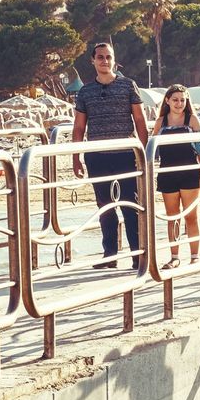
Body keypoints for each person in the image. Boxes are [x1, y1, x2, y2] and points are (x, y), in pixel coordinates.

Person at [72, 42, 148, 269]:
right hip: (97, 157)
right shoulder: (85, 91)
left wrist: (141, 152)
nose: (104, 61)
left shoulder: (128, 86)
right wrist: (76, 157)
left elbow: (141, 121)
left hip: (126, 155)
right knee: (104, 206)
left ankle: (138, 254)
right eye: (100, 57)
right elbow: (78, 128)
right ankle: (110, 255)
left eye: (108, 57)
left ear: (114, 60)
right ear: (93, 61)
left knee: (130, 205)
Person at [151, 84, 200, 269]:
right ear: (167, 100)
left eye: (182, 100)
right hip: (167, 173)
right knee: (172, 217)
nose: (179, 103)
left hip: (189, 173)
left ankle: (195, 254)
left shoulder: (192, 120)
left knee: (191, 216)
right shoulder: (161, 122)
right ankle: (174, 256)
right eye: (175, 100)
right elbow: (151, 149)